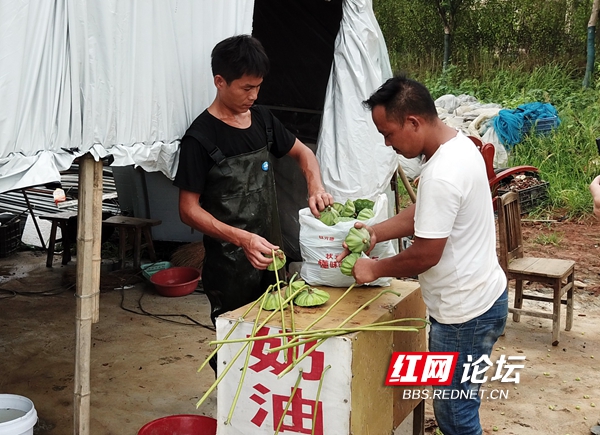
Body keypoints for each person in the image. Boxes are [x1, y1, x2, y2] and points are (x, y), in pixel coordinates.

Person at [337, 75, 508, 435]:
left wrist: (374, 268)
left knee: (455, 415)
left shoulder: (442, 172)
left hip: (465, 314)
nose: (387, 144)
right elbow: (424, 214)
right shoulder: (459, 146)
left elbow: (426, 254)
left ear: (413, 122)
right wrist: (374, 231)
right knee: (459, 404)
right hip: (482, 297)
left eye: (388, 133)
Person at [174, 35, 333, 327]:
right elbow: (188, 209)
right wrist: (241, 239)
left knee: (277, 339)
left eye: (258, 87)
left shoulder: (262, 120)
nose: (254, 96)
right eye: (247, 88)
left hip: (272, 258)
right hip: (229, 269)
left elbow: (303, 154)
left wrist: (316, 186)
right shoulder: (200, 138)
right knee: (236, 344)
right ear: (220, 82)